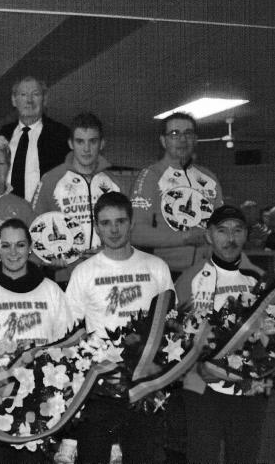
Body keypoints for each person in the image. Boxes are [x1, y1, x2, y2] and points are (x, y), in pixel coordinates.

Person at [61, 192, 173, 464]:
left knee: (143, 458)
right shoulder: (84, 272)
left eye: (120, 221)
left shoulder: (156, 267)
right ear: (97, 227)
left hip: (144, 384)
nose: (113, 229)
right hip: (99, 386)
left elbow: (170, 324)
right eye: (106, 223)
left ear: (131, 223)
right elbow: (70, 332)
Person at [0, 218, 73, 463]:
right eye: (6, 245)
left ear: (30, 247)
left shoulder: (51, 291)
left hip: (43, 404)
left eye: (20, 245)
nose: (13, 253)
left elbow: (66, 346)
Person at [175, 205, 267, 463]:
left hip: (249, 388)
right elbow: (175, 336)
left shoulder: (259, 279)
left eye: (237, 231)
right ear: (209, 235)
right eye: (222, 231)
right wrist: (194, 366)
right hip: (201, 386)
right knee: (202, 456)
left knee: (245, 457)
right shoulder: (190, 279)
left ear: (246, 234)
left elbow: (270, 336)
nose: (230, 238)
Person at [31, 112, 121, 283]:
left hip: (108, 275)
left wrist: (109, 251)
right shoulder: (50, 180)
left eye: (92, 141)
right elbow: (34, 226)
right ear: (71, 143)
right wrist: (48, 257)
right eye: (80, 141)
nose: (86, 149)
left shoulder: (114, 183)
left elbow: (127, 229)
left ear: (102, 144)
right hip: (67, 277)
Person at [131, 112, 223, 277]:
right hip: (166, 273)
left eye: (188, 133)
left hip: (207, 272)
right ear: (163, 141)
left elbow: (222, 224)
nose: (182, 139)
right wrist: (185, 237)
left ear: (195, 139)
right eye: (174, 134)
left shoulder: (209, 177)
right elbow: (136, 232)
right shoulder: (151, 175)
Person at [0, 76, 70, 201]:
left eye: (35, 94)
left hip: (47, 210)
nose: (29, 101)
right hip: (5, 209)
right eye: (23, 95)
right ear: (14, 100)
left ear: (44, 100)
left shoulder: (61, 135)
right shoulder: (2, 135)